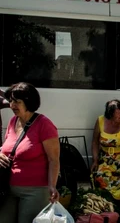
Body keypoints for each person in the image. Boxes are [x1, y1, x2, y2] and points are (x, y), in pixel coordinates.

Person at [0, 82, 60, 223]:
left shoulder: (44, 124)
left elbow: (54, 159)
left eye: (17, 102)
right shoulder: (12, 122)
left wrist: (52, 185)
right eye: (11, 101)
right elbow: (7, 148)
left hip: (35, 191)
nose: (12, 106)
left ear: (29, 102)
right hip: (8, 189)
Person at [91, 99, 120, 223]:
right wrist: (95, 160)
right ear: (110, 114)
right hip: (105, 158)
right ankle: (104, 212)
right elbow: (94, 141)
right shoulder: (100, 121)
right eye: (118, 112)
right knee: (99, 177)